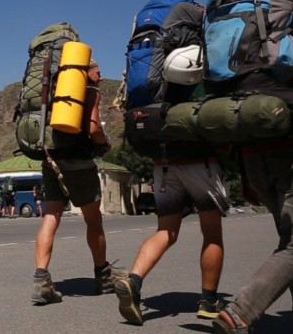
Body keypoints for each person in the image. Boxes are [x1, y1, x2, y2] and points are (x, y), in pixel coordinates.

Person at [31, 59, 126, 305]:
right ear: (85, 72)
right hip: (79, 163)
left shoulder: (52, 91)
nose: (101, 76)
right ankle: (103, 276)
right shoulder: (89, 91)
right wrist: (104, 143)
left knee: (51, 216)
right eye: (98, 71)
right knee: (93, 221)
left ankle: (41, 279)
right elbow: (93, 127)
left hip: (51, 159)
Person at [114, 144, 228, 325]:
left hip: (164, 167)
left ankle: (134, 282)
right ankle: (209, 301)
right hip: (201, 163)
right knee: (212, 234)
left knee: (166, 231)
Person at [211, 140, 293, 333]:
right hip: (287, 155)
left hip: (253, 159)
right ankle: (240, 312)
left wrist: (247, 176)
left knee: (288, 241)